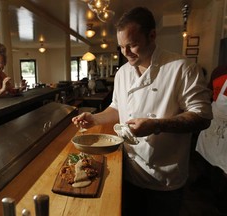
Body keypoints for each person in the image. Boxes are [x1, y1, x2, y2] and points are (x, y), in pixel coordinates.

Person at [72, 7, 212, 216]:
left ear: (152, 35)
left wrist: (156, 125)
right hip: (129, 171)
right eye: (121, 47)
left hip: (165, 176)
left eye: (132, 45)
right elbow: (117, 108)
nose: (125, 53)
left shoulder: (182, 68)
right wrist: (94, 118)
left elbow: (202, 117)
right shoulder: (123, 73)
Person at [195, 65, 227, 214]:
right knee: (207, 155)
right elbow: (209, 94)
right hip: (214, 120)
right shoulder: (220, 71)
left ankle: (221, 197)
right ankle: (206, 181)